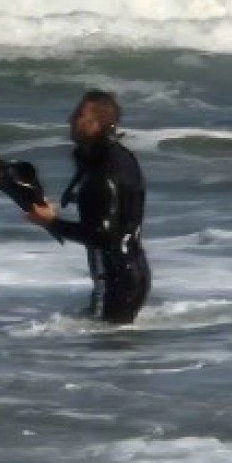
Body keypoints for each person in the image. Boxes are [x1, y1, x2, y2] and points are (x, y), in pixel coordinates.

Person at [25, 90, 151, 324]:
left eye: (79, 115)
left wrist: (51, 222)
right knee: (105, 351)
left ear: (99, 123)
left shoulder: (106, 171)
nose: (71, 120)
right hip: (126, 275)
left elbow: (103, 235)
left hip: (117, 280)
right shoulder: (113, 159)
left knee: (106, 354)